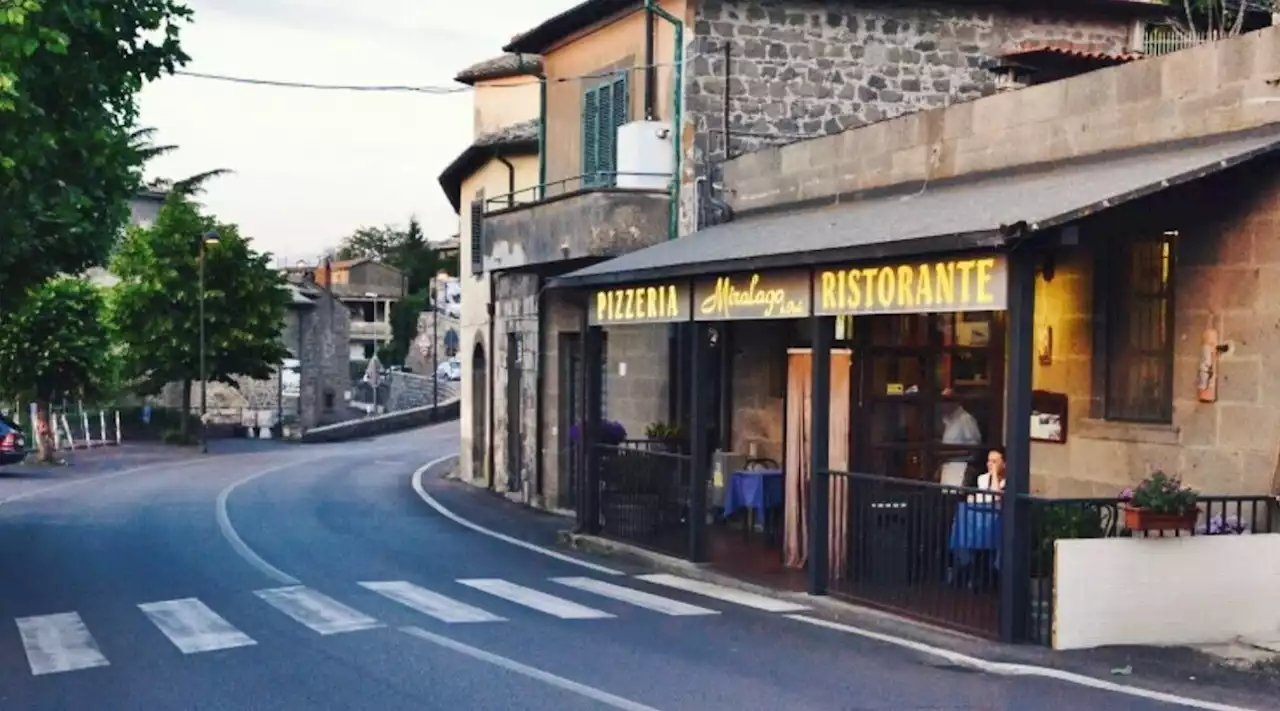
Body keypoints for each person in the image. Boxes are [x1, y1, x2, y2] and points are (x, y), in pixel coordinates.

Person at [938, 388, 981, 487]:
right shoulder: (947, 421)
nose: (943, 405)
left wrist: (949, 453)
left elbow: (974, 447)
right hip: (947, 468)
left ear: (955, 401)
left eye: (946, 401)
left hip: (961, 468)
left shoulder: (965, 419)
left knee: (957, 498)